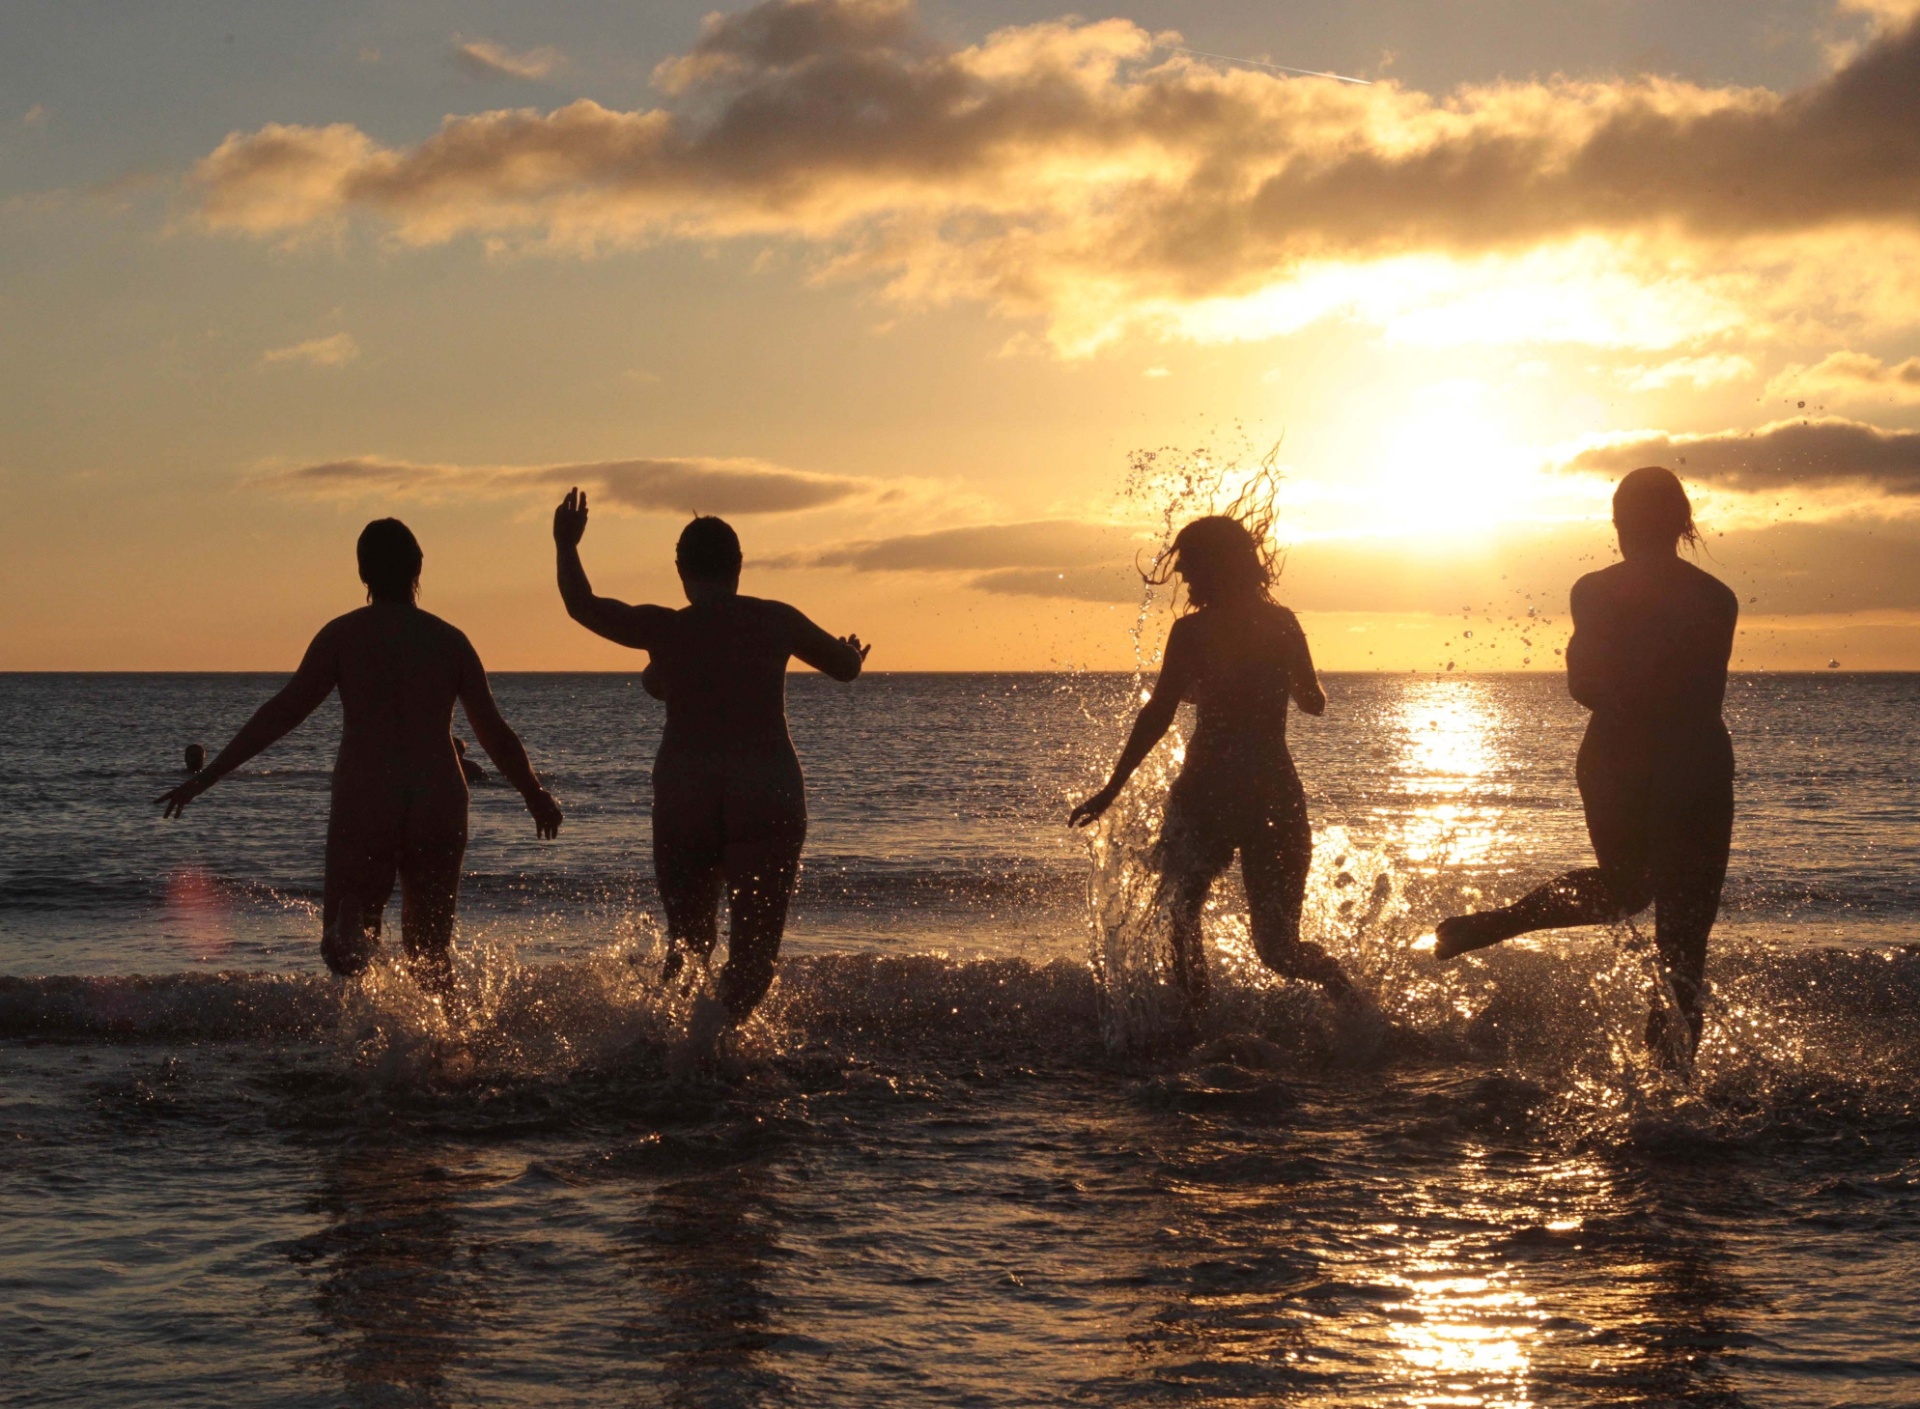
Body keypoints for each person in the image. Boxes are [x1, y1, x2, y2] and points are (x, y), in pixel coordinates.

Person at [155, 519, 563, 992]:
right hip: (438, 797)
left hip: (368, 795)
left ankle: (360, 963)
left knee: (344, 950)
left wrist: (206, 779)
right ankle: (440, 1056)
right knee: (430, 955)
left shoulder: (343, 636)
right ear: (419, 567)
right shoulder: (449, 641)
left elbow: (281, 714)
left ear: (362, 573)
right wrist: (533, 793)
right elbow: (493, 731)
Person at [1433, 466, 1737, 1064]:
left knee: (1626, 889)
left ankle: (1500, 923)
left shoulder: (1593, 590)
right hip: (1692, 760)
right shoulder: (1713, 596)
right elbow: (1698, 694)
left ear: (1619, 523)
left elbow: (1584, 682)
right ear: (1683, 523)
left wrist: (1625, 703)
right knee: (1684, 941)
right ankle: (1672, 1090)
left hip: (1617, 757)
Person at [552, 488, 867, 1027]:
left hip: (686, 796)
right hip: (765, 793)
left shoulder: (668, 629)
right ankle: (716, 1046)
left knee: (688, 949)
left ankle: (673, 1059)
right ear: (740, 565)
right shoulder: (776, 620)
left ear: (679, 568)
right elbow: (843, 667)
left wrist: (565, 544)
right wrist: (852, 652)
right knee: (752, 961)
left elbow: (583, 605)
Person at [1070, 514, 1351, 1016]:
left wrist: (1112, 789)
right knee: (1280, 950)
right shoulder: (1282, 622)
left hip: (1208, 794)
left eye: (1191, 564)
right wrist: (1274, 674)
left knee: (1181, 914)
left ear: (1216, 565)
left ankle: (1195, 1023)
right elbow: (1314, 703)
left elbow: (1158, 713)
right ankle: (1358, 1006)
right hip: (1273, 794)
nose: (1183, 575)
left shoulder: (1192, 632)